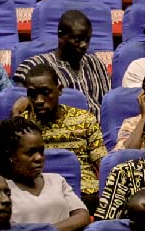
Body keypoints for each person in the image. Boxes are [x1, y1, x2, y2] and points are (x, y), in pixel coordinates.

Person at [12, 64, 106, 211]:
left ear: (59, 90)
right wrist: (16, 116)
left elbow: (102, 163)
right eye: (32, 94)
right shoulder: (24, 124)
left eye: (45, 92)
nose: (38, 100)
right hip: (40, 192)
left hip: (84, 192)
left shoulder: (85, 119)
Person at [0, 117, 89, 231]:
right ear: (10, 155)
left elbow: (82, 216)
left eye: (41, 151)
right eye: (30, 153)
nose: (39, 158)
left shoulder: (57, 180)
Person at [13, 10, 111, 119]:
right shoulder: (33, 66)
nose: (84, 45)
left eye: (87, 40)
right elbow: (25, 108)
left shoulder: (96, 64)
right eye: (77, 39)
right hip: (60, 130)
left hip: (101, 130)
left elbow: (110, 105)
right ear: (60, 35)